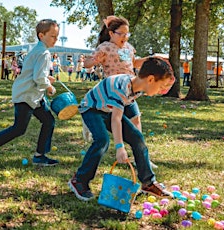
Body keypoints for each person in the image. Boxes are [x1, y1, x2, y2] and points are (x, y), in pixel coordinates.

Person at [68, 57, 175, 201]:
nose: (161, 90)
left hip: (108, 109)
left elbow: (130, 114)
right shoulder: (122, 88)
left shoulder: (137, 88)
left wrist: (135, 138)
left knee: (137, 138)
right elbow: (116, 119)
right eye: (161, 85)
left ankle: (148, 183)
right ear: (150, 79)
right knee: (102, 141)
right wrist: (120, 147)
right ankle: (79, 180)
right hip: (92, 108)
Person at [0, 19, 59, 166]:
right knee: (19, 128)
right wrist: (49, 87)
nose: (56, 39)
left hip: (33, 95)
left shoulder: (38, 50)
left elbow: (35, 73)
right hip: (26, 95)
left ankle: (40, 156)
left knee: (48, 121)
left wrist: (46, 78)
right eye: (52, 36)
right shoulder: (44, 53)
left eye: (57, 36)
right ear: (41, 35)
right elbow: (38, 77)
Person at [83, 16, 158, 168]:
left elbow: (134, 62)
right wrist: (93, 61)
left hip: (129, 91)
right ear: (111, 33)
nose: (125, 37)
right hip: (113, 92)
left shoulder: (128, 48)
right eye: (121, 33)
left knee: (136, 119)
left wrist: (149, 59)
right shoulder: (105, 47)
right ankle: (91, 124)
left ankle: (141, 157)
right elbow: (87, 63)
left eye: (127, 34)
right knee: (114, 120)